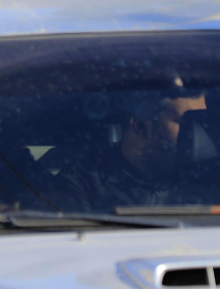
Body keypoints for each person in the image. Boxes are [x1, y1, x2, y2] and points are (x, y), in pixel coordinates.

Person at [54, 87, 207, 211]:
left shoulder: (208, 177)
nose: (198, 131)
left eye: (201, 121)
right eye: (185, 122)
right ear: (141, 127)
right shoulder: (82, 184)